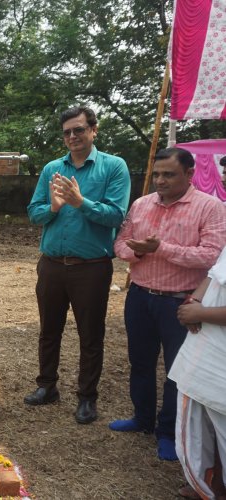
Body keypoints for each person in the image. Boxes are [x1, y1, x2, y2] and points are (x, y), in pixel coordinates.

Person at [110, 147, 226, 460]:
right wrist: (139, 252)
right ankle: (142, 418)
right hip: (140, 296)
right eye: (157, 174)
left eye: (169, 175)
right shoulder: (141, 203)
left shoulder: (210, 208)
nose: (160, 180)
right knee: (141, 361)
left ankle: (169, 432)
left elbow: (212, 256)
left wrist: (160, 248)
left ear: (189, 175)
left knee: (177, 371)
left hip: (182, 301)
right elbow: (121, 243)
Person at [25, 106, 131, 424]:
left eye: (79, 130)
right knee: (49, 330)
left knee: (90, 334)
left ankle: (87, 398)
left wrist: (81, 203)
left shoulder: (114, 167)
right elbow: (34, 213)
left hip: (92, 266)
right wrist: (54, 207)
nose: (73, 136)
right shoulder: (52, 169)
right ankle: (47, 386)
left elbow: (116, 215)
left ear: (94, 130)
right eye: (68, 132)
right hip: (52, 264)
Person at [173, 247, 226, 499]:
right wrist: (195, 300)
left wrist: (202, 313)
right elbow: (214, 274)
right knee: (197, 426)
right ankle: (205, 485)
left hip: (220, 361)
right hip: (203, 350)